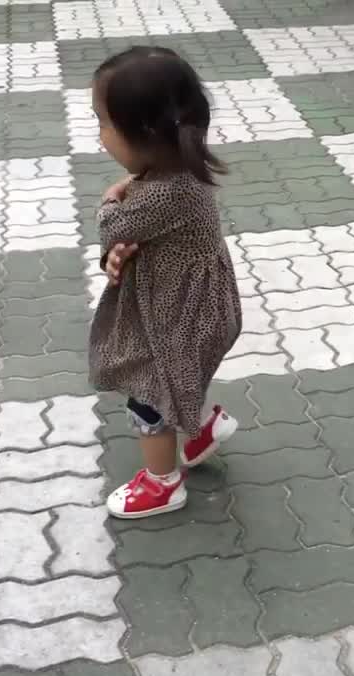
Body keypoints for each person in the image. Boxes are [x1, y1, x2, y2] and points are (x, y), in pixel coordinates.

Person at [88, 46, 243, 520]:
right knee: (179, 376)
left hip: (180, 316)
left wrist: (111, 203)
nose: (100, 136)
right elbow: (131, 238)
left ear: (147, 133)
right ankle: (202, 429)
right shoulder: (173, 172)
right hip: (191, 308)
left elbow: (113, 226)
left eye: (104, 123)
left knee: (149, 392)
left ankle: (162, 484)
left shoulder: (165, 191)